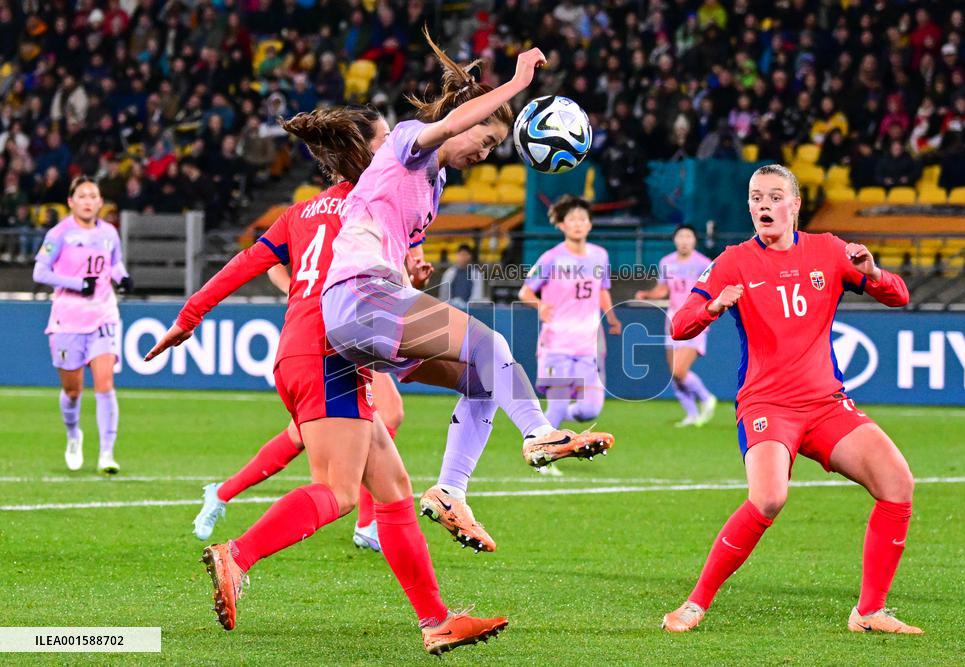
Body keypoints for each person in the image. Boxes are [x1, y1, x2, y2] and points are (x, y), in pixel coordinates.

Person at [146, 107, 507, 655]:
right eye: (387, 137)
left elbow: (244, 263)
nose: (398, 145)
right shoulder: (374, 202)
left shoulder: (300, 213)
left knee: (393, 492)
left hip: (301, 347)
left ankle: (437, 620)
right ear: (367, 151)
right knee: (339, 491)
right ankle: (237, 555)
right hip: (332, 350)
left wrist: (189, 317)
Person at [319, 32, 615, 545]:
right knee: (489, 343)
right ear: (466, 120)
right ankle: (540, 433)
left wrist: (413, 264)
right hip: (358, 298)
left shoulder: (433, 186)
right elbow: (449, 124)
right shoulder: (409, 139)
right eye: (488, 140)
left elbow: (402, 234)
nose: (486, 153)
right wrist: (519, 83)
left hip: (363, 316)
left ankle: (451, 491)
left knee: (481, 378)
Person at [662, 165, 920, 634]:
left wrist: (873, 272)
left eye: (775, 196)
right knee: (768, 498)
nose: (764, 205)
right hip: (767, 405)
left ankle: (869, 612)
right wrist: (712, 307)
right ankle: (695, 604)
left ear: (795, 205)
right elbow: (679, 325)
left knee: (898, 485)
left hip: (825, 405)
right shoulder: (732, 260)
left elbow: (900, 296)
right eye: (756, 197)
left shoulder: (829, 249)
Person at [192, 245, 433, 552]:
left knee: (309, 432)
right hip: (333, 330)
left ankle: (223, 493)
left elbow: (394, 283)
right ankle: (365, 523)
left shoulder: (399, 222)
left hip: (359, 327)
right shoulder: (358, 211)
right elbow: (272, 261)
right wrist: (300, 290)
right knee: (376, 418)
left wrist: (414, 283)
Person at [33, 176, 132, 474]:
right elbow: (40, 272)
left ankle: (106, 454)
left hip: (103, 315)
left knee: (105, 384)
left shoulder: (109, 233)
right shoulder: (59, 233)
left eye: (93, 196)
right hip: (68, 321)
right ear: (71, 202)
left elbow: (114, 263)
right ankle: (74, 434)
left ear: (100, 202)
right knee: (73, 390)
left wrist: (122, 277)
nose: (88, 201)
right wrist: (77, 283)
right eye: (83, 196)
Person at [518, 195, 622, 477]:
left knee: (590, 409)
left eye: (583, 219)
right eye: (572, 219)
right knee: (559, 404)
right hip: (556, 344)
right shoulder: (551, 258)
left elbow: (602, 289)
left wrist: (611, 317)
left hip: (588, 345)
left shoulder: (600, 255)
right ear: (562, 225)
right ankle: (543, 457)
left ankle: (563, 434)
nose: (578, 223)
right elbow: (525, 291)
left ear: (589, 225)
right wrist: (540, 306)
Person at [635, 225, 717, 427]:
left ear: (694, 240)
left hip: (695, 320)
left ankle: (706, 398)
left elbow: (712, 289)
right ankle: (691, 415)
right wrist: (647, 294)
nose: (684, 240)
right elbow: (663, 290)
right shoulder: (666, 262)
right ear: (675, 240)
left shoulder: (703, 263)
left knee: (680, 371)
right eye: (681, 236)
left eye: (688, 236)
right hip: (672, 321)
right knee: (674, 374)